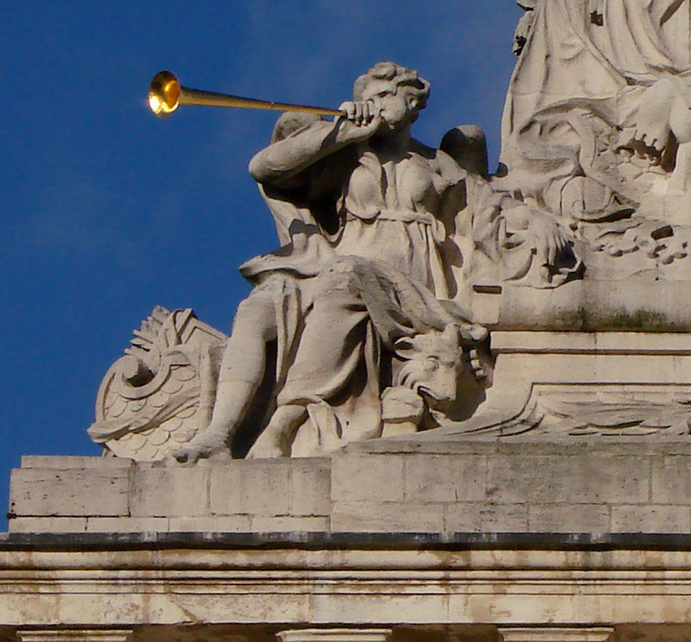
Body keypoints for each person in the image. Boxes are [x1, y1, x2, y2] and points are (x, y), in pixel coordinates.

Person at [174, 63, 480, 460]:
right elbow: (262, 168)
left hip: (408, 287)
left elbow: (488, 205)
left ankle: (285, 422)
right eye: (370, 98)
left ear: (413, 99)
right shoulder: (345, 155)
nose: (377, 105)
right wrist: (340, 133)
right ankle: (219, 434)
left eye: (387, 95)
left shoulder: (435, 161)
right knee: (259, 307)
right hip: (334, 267)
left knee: (346, 278)